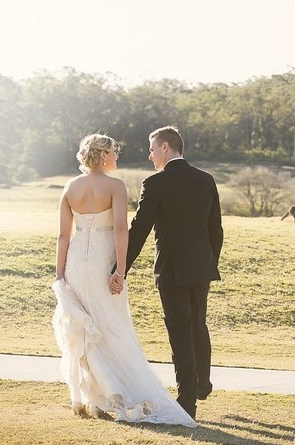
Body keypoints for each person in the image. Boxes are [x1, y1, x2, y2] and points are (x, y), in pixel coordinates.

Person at [51, 133, 196, 427]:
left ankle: (95, 397)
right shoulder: (115, 186)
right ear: (103, 155)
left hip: (76, 262)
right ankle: (113, 394)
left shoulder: (70, 187)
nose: (117, 157)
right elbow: (121, 229)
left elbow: (63, 235)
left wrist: (59, 275)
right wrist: (120, 270)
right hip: (104, 260)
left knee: (86, 327)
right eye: (115, 152)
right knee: (111, 327)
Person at [112, 126, 224, 420]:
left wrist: (120, 268)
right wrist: (209, 262)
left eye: (151, 149)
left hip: (172, 270)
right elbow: (216, 230)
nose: (149, 156)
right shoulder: (206, 180)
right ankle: (202, 383)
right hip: (202, 268)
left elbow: (139, 230)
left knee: (180, 332)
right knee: (198, 325)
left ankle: (187, 401)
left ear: (165, 147)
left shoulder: (154, 184)